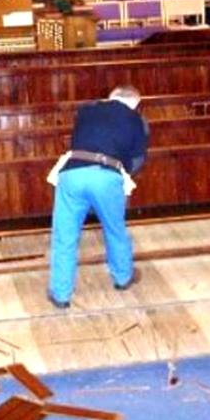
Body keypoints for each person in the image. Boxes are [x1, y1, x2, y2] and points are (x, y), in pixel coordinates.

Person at [47, 86, 149, 309]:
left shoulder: (87, 110)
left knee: (64, 236)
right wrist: (123, 173)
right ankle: (123, 277)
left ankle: (60, 293)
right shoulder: (136, 119)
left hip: (71, 173)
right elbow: (138, 159)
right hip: (106, 175)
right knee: (114, 229)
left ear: (111, 97)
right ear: (135, 103)